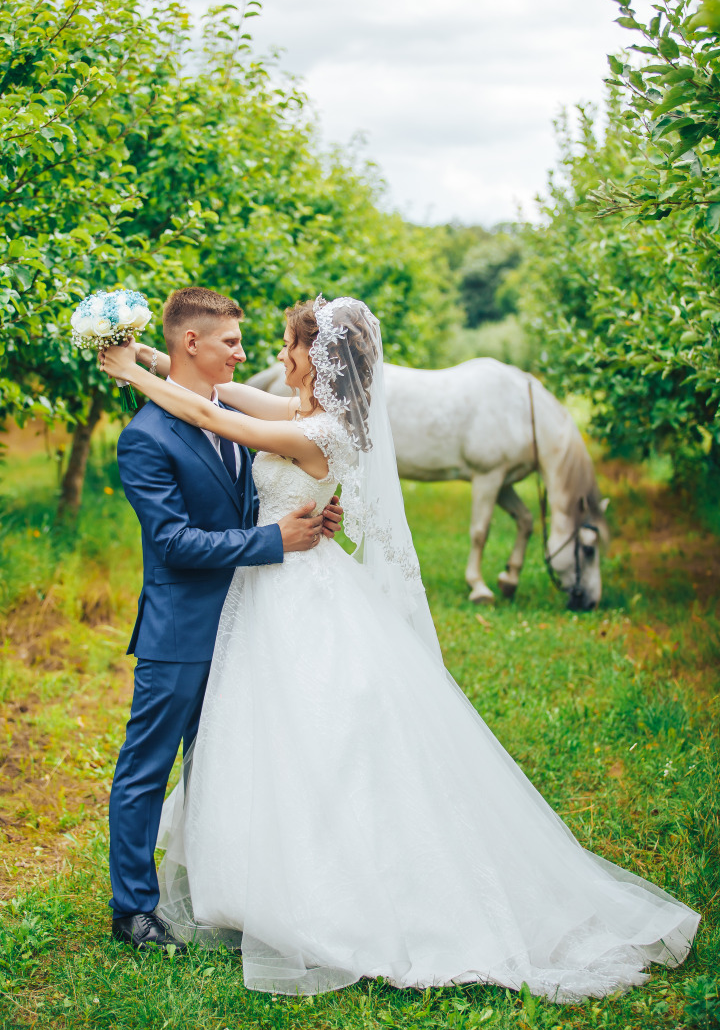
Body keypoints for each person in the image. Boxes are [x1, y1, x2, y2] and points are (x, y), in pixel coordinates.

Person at [102, 294, 699, 1001]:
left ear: (317, 363)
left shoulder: (312, 430)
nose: (268, 359)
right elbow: (221, 399)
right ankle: (221, 882)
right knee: (264, 743)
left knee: (312, 744)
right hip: (263, 596)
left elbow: (210, 413)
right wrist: (148, 358)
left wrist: (137, 376)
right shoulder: (313, 419)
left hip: (291, 591)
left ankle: (309, 889)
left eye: (286, 350)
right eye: (236, 343)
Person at [108, 287, 342, 953]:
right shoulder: (145, 438)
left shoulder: (227, 413)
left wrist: (307, 512)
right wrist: (276, 540)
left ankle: (222, 890)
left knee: (223, 764)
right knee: (147, 770)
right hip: (181, 631)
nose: (245, 353)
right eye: (231, 342)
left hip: (252, 625)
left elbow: (257, 496)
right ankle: (133, 910)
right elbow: (175, 543)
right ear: (192, 344)